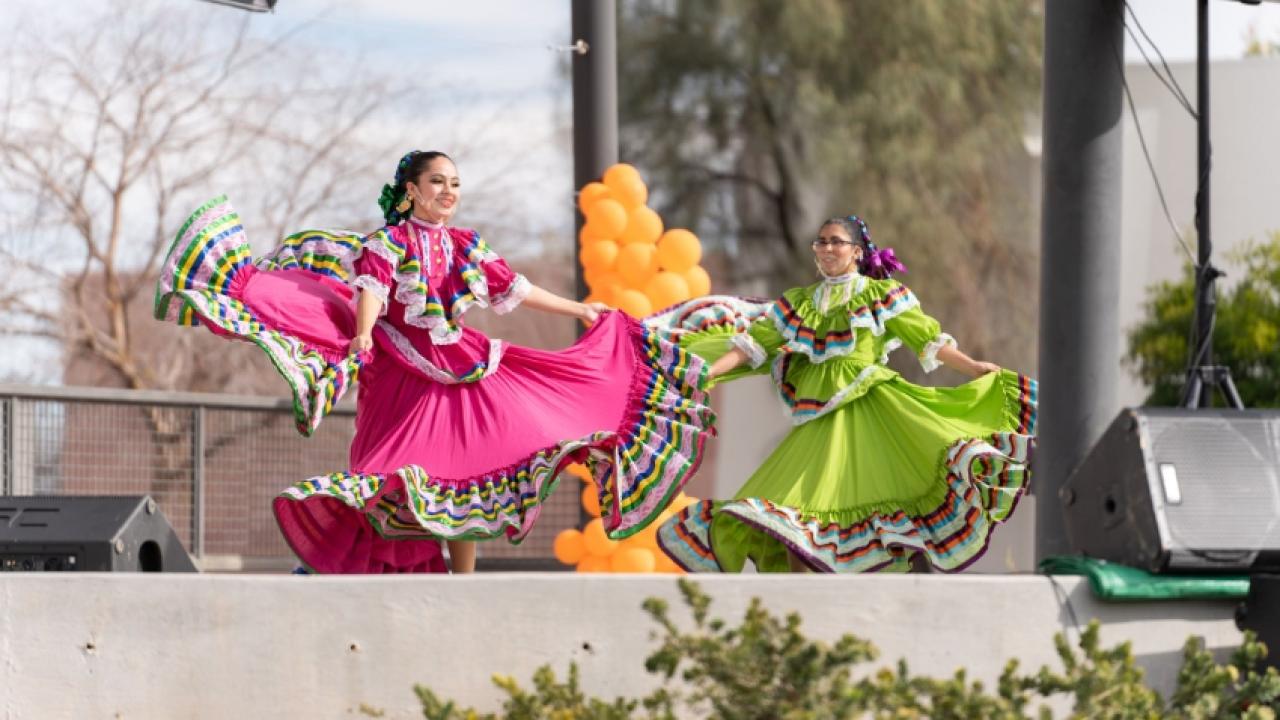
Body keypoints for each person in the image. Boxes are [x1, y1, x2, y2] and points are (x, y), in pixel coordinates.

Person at [154, 150, 715, 573]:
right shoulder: (388, 243)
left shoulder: (467, 245)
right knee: (382, 476)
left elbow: (512, 288)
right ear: (412, 191)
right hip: (400, 374)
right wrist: (365, 335)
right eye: (437, 183)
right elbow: (369, 290)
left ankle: (459, 587)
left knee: (461, 477)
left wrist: (580, 309)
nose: (449, 192)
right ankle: (326, 569)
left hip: (464, 369)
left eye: (455, 184)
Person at [651, 214, 1036, 573]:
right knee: (787, 513)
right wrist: (706, 374)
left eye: (837, 242)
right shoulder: (801, 303)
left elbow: (927, 340)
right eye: (821, 242)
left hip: (874, 409)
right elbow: (753, 345)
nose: (827, 249)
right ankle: (801, 602)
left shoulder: (879, 294)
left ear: (857, 251)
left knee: (895, 495)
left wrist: (972, 367)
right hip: (818, 422)